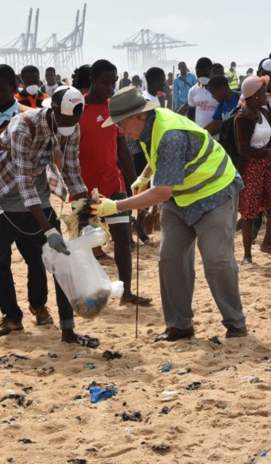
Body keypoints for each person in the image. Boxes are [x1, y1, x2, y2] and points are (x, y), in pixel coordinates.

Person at [90, 86, 247, 342]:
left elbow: (161, 192)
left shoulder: (170, 133)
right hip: (180, 198)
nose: (119, 130)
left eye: (121, 123)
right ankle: (179, 326)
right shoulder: (145, 127)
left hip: (215, 193)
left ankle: (236, 324)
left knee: (217, 260)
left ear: (140, 115)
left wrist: (116, 207)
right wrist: (144, 176)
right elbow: (160, 159)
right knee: (170, 259)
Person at [0, 86, 98, 361]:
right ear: (53, 111)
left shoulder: (72, 127)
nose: (69, 127)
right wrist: (49, 230)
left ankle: (69, 332)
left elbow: (72, 171)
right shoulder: (23, 126)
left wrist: (86, 209)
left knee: (63, 265)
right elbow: (24, 183)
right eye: (64, 121)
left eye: (74, 121)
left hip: (39, 203)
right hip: (4, 201)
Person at [0, 64, 54, 335]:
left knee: (35, 258)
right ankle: (11, 315)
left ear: (14, 88)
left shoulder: (32, 116)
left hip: (30, 204)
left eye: (1, 90)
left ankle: (39, 306)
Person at [80, 60, 150, 306]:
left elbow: (123, 151)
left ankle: (127, 293)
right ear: (92, 81)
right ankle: (89, 292)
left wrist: (135, 184)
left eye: (113, 82)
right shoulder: (76, 109)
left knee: (122, 237)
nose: (110, 88)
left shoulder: (114, 109)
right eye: (105, 83)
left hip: (114, 185)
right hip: (85, 189)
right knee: (85, 242)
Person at [233, 76, 271, 264]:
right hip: (251, 168)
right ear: (252, 96)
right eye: (261, 92)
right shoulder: (241, 118)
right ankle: (247, 256)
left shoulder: (265, 111)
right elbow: (244, 150)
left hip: (269, 164)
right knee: (249, 214)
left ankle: (267, 244)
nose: (266, 95)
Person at [187, 58, 219, 134]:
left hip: (218, 136)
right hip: (201, 135)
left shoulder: (220, 89)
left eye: (205, 74)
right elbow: (190, 113)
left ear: (212, 70)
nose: (202, 77)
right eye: (199, 74)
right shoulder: (193, 91)